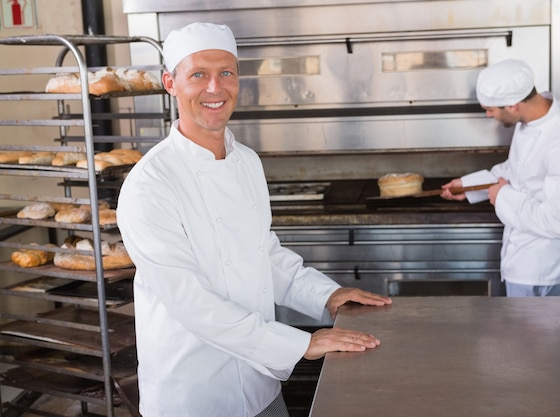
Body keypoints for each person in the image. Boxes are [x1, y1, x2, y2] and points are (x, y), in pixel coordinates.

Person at [116, 22, 392, 417]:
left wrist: (324, 295)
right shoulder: (150, 184)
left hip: (261, 386)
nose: (215, 88)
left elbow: (263, 253)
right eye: (198, 75)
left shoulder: (246, 161)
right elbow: (189, 301)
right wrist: (300, 344)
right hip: (195, 394)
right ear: (170, 84)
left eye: (226, 73)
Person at [440, 59, 560, 297]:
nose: (487, 115)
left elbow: (559, 221)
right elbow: (519, 168)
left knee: (542, 335)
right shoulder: (534, 117)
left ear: (513, 105)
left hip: (543, 270)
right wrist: (472, 186)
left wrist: (502, 196)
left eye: (490, 109)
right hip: (526, 260)